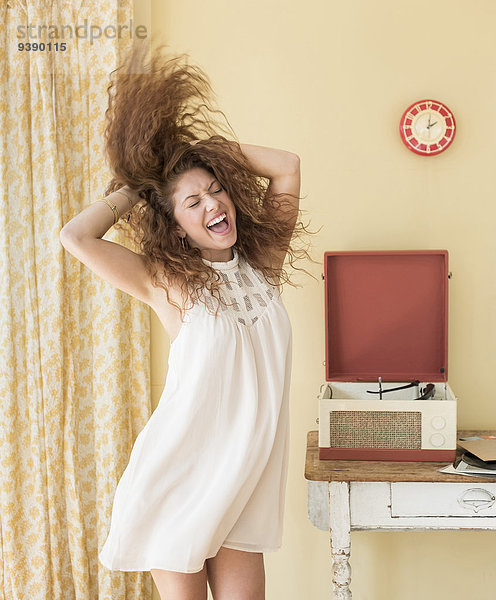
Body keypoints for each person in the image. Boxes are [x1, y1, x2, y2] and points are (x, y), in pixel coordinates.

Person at [59, 43, 314, 600]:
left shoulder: (261, 269)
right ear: (176, 228)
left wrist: (202, 153)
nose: (211, 206)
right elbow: (75, 237)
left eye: (215, 190)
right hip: (180, 480)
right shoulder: (168, 282)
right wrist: (142, 184)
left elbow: (287, 166)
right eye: (192, 203)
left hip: (245, 485)